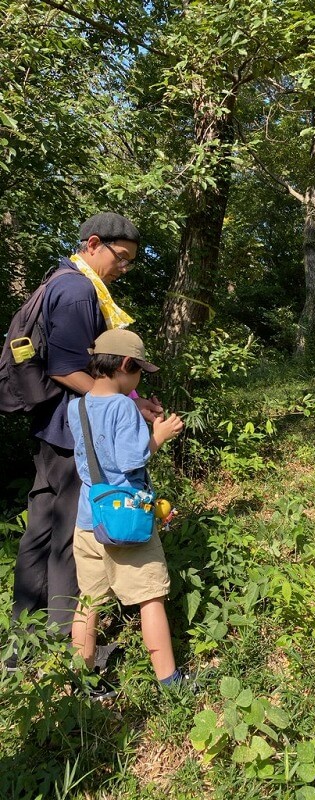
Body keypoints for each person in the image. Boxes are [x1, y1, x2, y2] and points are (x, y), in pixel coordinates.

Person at [8, 212, 162, 659]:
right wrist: (129, 404)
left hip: (55, 425)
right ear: (93, 244)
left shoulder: (61, 281)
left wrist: (132, 400)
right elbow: (68, 370)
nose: (124, 268)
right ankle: (66, 639)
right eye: (122, 258)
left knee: (42, 525)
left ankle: (24, 637)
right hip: (72, 430)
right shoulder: (78, 291)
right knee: (71, 530)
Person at [67, 329, 185, 697]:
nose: (137, 382)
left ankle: (83, 682)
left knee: (88, 602)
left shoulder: (78, 404)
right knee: (150, 598)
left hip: (88, 519)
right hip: (125, 521)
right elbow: (131, 459)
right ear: (124, 365)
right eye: (138, 372)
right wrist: (160, 434)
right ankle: (170, 682)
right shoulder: (121, 406)